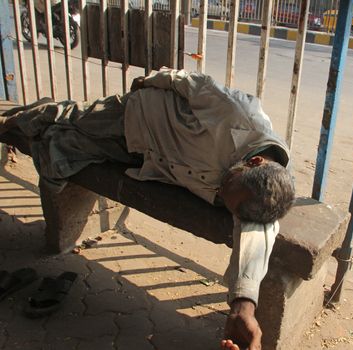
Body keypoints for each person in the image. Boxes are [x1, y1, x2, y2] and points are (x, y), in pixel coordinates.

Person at [0, 69, 295, 350]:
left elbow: (256, 240)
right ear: (255, 162)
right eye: (227, 183)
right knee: (61, 118)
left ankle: (33, 124)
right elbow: (189, 81)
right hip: (138, 115)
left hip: (144, 157)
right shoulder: (239, 115)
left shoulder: (261, 200)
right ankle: (11, 118)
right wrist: (149, 81)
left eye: (225, 199)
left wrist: (243, 308)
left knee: (58, 145)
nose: (221, 190)